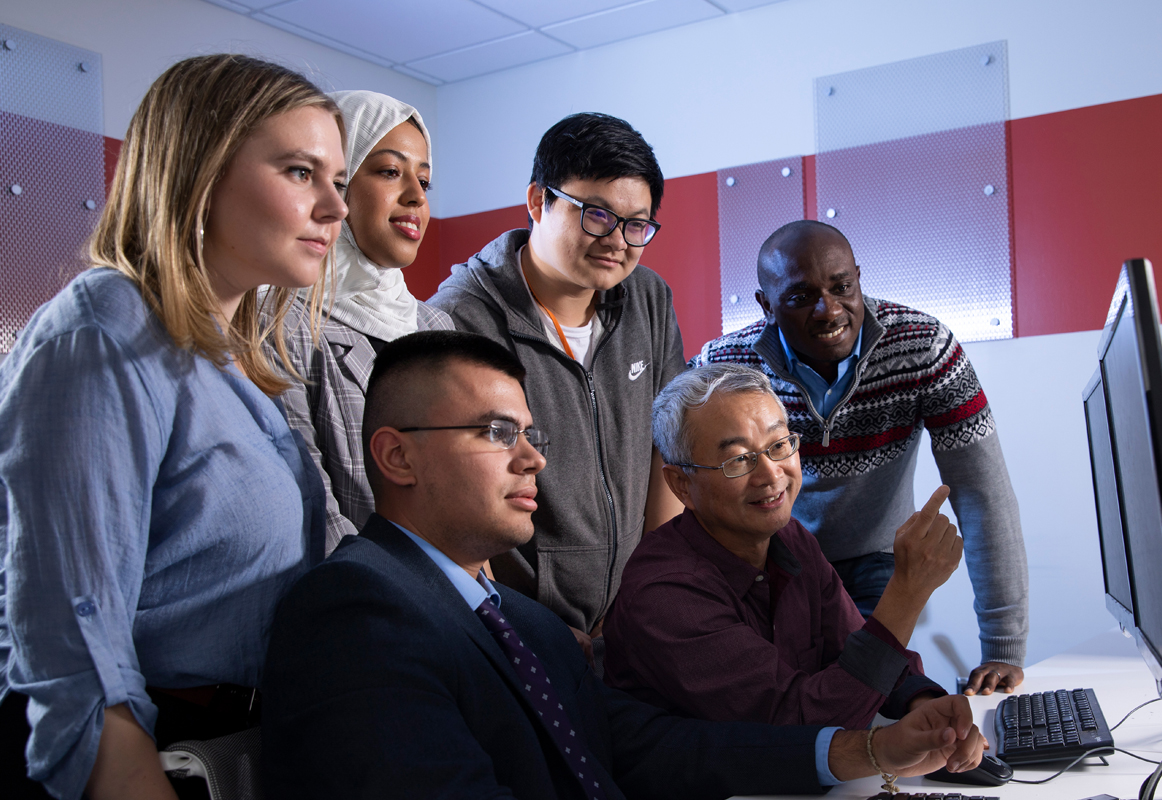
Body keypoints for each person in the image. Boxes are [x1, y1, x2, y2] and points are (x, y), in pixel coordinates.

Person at [261, 330, 987, 799]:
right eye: (495, 432)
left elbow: (656, 750)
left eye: (531, 433)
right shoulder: (355, 610)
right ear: (396, 455)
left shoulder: (528, 625)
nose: (533, 458)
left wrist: (871, 747)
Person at [0, 55, 346, 800]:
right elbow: (71, 626)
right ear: (200, 168)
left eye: (338, 181)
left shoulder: (227, 360)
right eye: (299, 172)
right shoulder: (105, 333)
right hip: (150, 756)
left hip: (240, 746)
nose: (335, 208)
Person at [692, 220, 1029, 696]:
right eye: (801, 296)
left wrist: (1001, 646)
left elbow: (981, 494)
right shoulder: (722, 367)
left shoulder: (923, 348)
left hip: (875, 557)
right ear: (766, 306)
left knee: (867, 691)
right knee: (778, 698)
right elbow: (686, 489)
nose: (829, 310)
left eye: (842, 286)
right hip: (768, 558)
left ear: (858, 278)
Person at [428, 112, 686, 658]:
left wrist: (656, 591)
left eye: (636, 224)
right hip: (521, 629)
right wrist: (512, 623)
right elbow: (453, 494)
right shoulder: (460, 318)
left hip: (631, 622)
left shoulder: (648, 300)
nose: (617, 241)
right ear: (537, 201)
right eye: (597, 215)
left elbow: (668, 444)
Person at [604, 363, 956, 729]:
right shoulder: (665, 593)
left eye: (778, 445)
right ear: (680, 485)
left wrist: (922, 702)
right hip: (711, 786)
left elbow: (855, 650)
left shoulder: (790, 540)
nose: (771, 474)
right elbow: (801, 724)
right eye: (739, 459)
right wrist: (908, 591)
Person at [271, 89, 452, 555]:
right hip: (365, 601)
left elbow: (468, 492)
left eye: (425, 182)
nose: (415, 196)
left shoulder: (438, 327)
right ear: (338, 180)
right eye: (391, 172)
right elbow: (312, 507)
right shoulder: (281, 320)